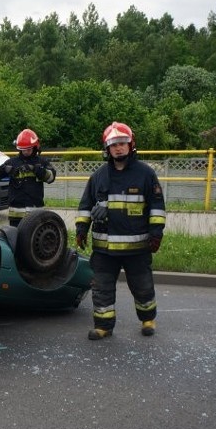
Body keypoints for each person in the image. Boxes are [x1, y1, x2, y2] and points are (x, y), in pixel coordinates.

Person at [75, 122, 166, 340]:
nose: (118, 148)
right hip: (105, 249)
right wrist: (81, 228)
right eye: (113, 145)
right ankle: (103, 326)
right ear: (107, 149)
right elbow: (85, 205)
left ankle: (148, 320)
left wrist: (156, 232)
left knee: (143, 287)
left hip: (137, 246)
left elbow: (156, 206)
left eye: (122, 143)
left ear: (131, 145)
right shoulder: (98, 176)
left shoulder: (146, 174)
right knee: (101, 289)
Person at [0, 128, 56, 227]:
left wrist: (38, 171)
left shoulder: (41, 162)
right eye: (23, 149)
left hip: (36, 213)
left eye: (28, 149)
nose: (25, 152)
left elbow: (51, 178)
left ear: (35, 147)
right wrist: (2, 170)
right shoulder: (12, 162)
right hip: (16, 214)